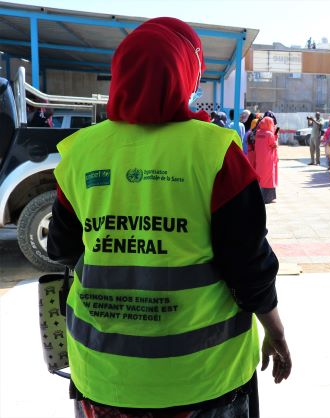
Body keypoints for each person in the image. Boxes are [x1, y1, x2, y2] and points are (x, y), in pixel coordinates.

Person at [46, 17, 291, 418]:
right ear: (186, 76)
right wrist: (275, 331)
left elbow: (61, 249)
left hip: (102, 377)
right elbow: (249, 265)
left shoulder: (80, 152)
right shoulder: (215, 152)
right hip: (204, 380)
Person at [255, 115, 279, 203]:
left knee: (261, 178)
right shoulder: (269, 134)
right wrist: (276, 136)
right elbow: (274, 145)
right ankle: (268, 198)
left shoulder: (258, 133)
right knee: (269, 178)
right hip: (268, 160)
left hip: (259, 160)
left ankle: (260, 197)